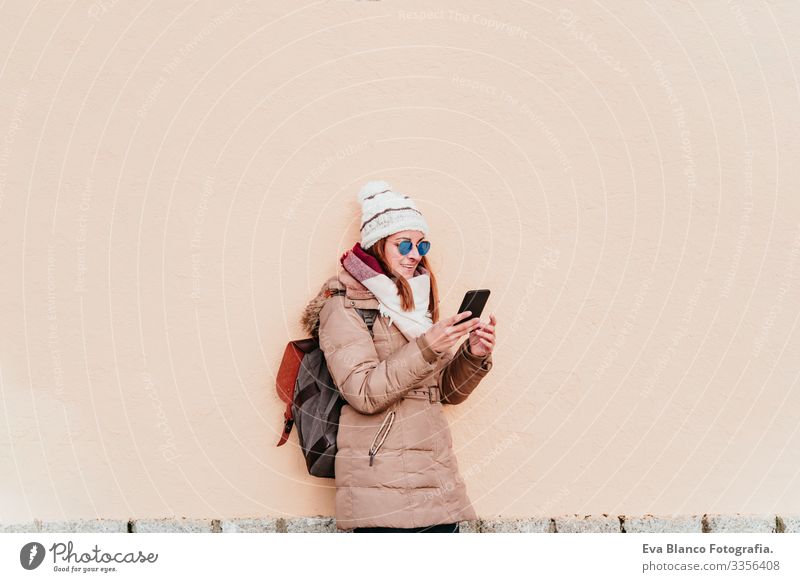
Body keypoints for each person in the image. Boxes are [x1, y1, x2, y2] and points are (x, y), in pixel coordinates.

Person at [300, 180, 497, 533]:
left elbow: (443, 394)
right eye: (403, 243)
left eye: (422, 244)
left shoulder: (415, 305)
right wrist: (427, 346)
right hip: (382, 488)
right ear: (376, 245)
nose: (414, 253)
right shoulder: (343, 306)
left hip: (435, 480)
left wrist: (471, 355)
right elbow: (362, 391)